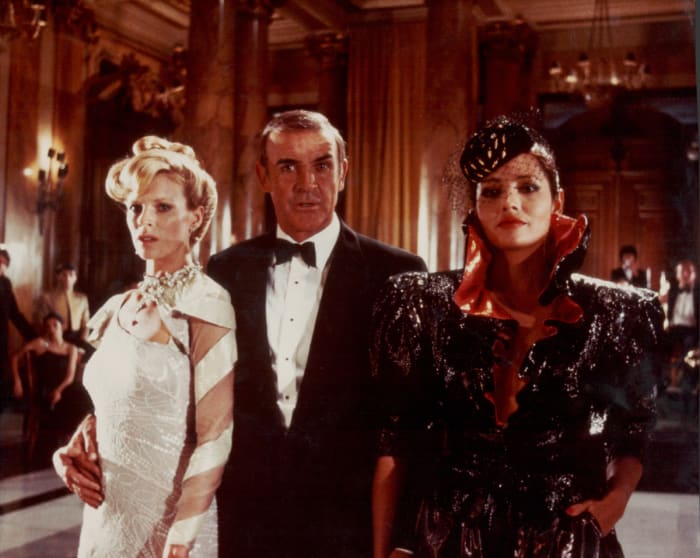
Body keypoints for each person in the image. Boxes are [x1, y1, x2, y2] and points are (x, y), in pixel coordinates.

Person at [371, 115, 664, 557]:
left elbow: (635, 432)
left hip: (566, 540)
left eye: (528, 187)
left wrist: (614, 502)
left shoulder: (617, 311)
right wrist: (386, 551)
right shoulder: (422, 304)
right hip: (449, 540)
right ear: (475, 207)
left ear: (557, 200)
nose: (510, 202)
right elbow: (395, 444)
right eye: (491, 191)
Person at [206, 109, 427, 558]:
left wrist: (404, 538)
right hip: (248, 522)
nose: (307, 183)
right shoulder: (226, 270)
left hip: (349, 526)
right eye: (288, 166)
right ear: (264, 176)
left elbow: (415, 418)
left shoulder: (397, 272)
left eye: (322, 165)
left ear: (342, 172)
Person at [52, 136, 236, 558]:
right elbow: (116, 405)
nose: (144, 221)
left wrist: (181, 540)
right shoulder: (118, 306)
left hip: (170, 526)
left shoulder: (207, 304)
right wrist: (71, 452)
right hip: (105, 521)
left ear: (195, 217)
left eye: (163, 207)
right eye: (136, 207)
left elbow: (215, 436)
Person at [10, 311, 84, 465]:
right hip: (45, 391)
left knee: (81, 396)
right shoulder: (41, 343)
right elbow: (15, 357)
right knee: (69, 402)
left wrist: (59, 391)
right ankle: (63, 448)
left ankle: (74, 445)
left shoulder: (71, 348)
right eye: (48, 326)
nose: (51, 329)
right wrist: (17, 381)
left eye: (55, 325)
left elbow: (70, 376)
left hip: (63, 389)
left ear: (62, 327)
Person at [0, 248, 37, 411]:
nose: (0, 266)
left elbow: (14, 314)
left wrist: (33, 336)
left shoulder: (5, 284)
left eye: (3, 263)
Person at [35, 262, 92, 354]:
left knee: (93, 353)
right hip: (56, 339)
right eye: (64, 275)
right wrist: (53, 343)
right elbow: (41, 323)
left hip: (77, 338)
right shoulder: (48, 298)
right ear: (58, 277)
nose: (67, 278)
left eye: (71, 275)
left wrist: (82, 344)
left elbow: (86, 325)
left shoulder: (82, 299)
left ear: (75, 278)